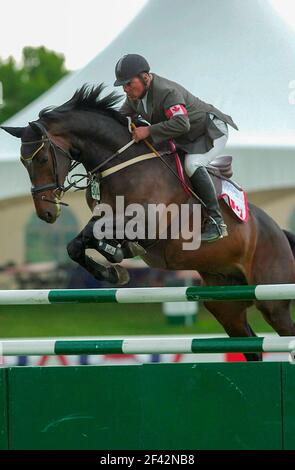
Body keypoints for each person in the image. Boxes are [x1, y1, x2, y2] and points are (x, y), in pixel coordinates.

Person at [114, 54, 239, 243]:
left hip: (210, 131)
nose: (126, 89)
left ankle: (217, 222)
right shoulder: (134, 98)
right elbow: (120, 119)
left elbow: (182, 124)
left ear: (145, 77)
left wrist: (148, 130)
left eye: (129, 84)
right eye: (123, 85)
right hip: (187, 137)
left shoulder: (167, 91)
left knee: (192, 164)